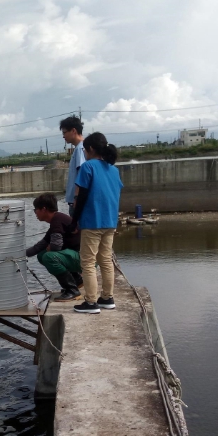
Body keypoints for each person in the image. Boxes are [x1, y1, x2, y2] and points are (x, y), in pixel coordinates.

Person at [70, 132, 123, 314]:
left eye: (85, 150)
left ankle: (91, 302)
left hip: (92, 221)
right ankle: (107, 298)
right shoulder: (113, 170)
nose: (84, 153)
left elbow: (82, 196)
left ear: (90, 149)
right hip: (110, 221)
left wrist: (74, 220)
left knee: (88, 261)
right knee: (105, 260)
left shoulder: (88, 167)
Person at [26, 193, 83, 301]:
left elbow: (56, 246)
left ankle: (72, 290)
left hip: (83, 258)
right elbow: (41, 244)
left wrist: (51, 247)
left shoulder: (57, 221)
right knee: (41, 255)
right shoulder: (57, 219)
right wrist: (21, 253)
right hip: (77, 255)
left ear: (43, 209)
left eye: (35, 210)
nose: (35, 213)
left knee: (49, 257)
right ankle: (77, 280)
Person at [59, 116, 86, 215]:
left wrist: (76, 198)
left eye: (64, 132)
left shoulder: (80, 149)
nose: (63, 136)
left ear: (73, 131)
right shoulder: (81, 148)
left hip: (77, 202)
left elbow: (82, 175)